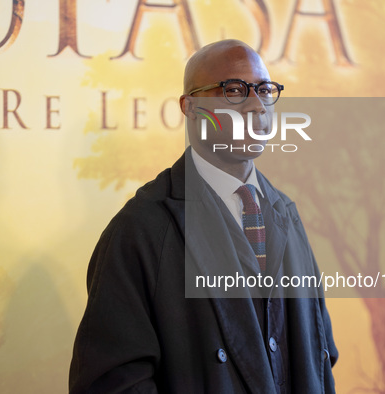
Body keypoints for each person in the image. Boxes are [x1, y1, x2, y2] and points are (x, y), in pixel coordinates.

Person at [69, 39, 338, 393]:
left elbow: (320, 356)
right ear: (191, 106)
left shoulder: (285, 213)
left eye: (264, 90)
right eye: (234, 91)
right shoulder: (142, 228)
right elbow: (113, 382)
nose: (256, 104)